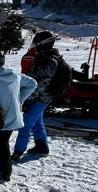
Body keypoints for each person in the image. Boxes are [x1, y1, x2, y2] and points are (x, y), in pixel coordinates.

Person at [0, 50, 37, 184]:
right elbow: (33, 84)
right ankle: (5, 173)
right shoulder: (15, 75)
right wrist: (19, 100)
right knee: (3, 144)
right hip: (13, 118)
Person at [12, 31, 71, 161]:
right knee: (37, 121)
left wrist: (27, 98)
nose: (35, 47)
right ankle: (42, 147)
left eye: (37, 44)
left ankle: (18, 152)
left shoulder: (50, 60)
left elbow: (42, 84)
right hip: (38, 97)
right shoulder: (43, 57)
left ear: (43, 44)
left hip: (40, 98)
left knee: (25, 124)